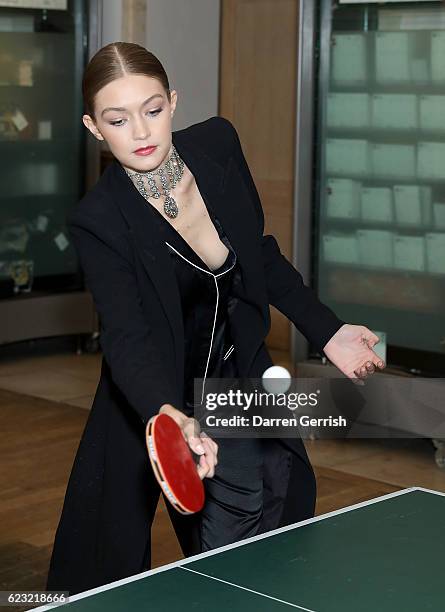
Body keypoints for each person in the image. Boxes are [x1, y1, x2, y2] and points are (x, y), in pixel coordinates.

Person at [46, 42, 385, 595]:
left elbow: (261, 253)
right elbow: (127, 335)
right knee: (120, 558)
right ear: (93, 127)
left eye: (152, 109)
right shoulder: (99, 221)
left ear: (173, 102)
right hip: (160, 393)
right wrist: (169, 413)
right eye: (117, 119)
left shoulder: (219, 146)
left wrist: (330, 331)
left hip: (239, 378)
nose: (140, 131)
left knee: (283, 507)